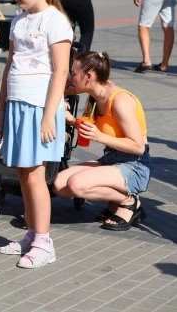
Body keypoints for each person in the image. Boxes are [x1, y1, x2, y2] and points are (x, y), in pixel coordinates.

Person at [0, 0, 73, 268]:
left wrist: (48, 115)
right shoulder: (19, 20)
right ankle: (32, 233)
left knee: (36, 175)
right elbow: (9, 66)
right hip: (17, 103)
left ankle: (44, 242)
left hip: (41, 106)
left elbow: (61, 70)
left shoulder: (55, 20)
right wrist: (0, 109)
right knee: (23, 173)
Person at [53, 52, 151, 231]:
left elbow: (138, 147)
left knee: (76, 184)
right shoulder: (95, 92)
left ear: (88, 76)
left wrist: (100, 137)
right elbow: (60, 87)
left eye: (74, 73)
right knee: (58, 184)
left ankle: (128, 201)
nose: (70, 78)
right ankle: (116, 201)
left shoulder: (119, 100)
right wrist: (70, 117)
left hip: (134, 165)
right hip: (111, 158)